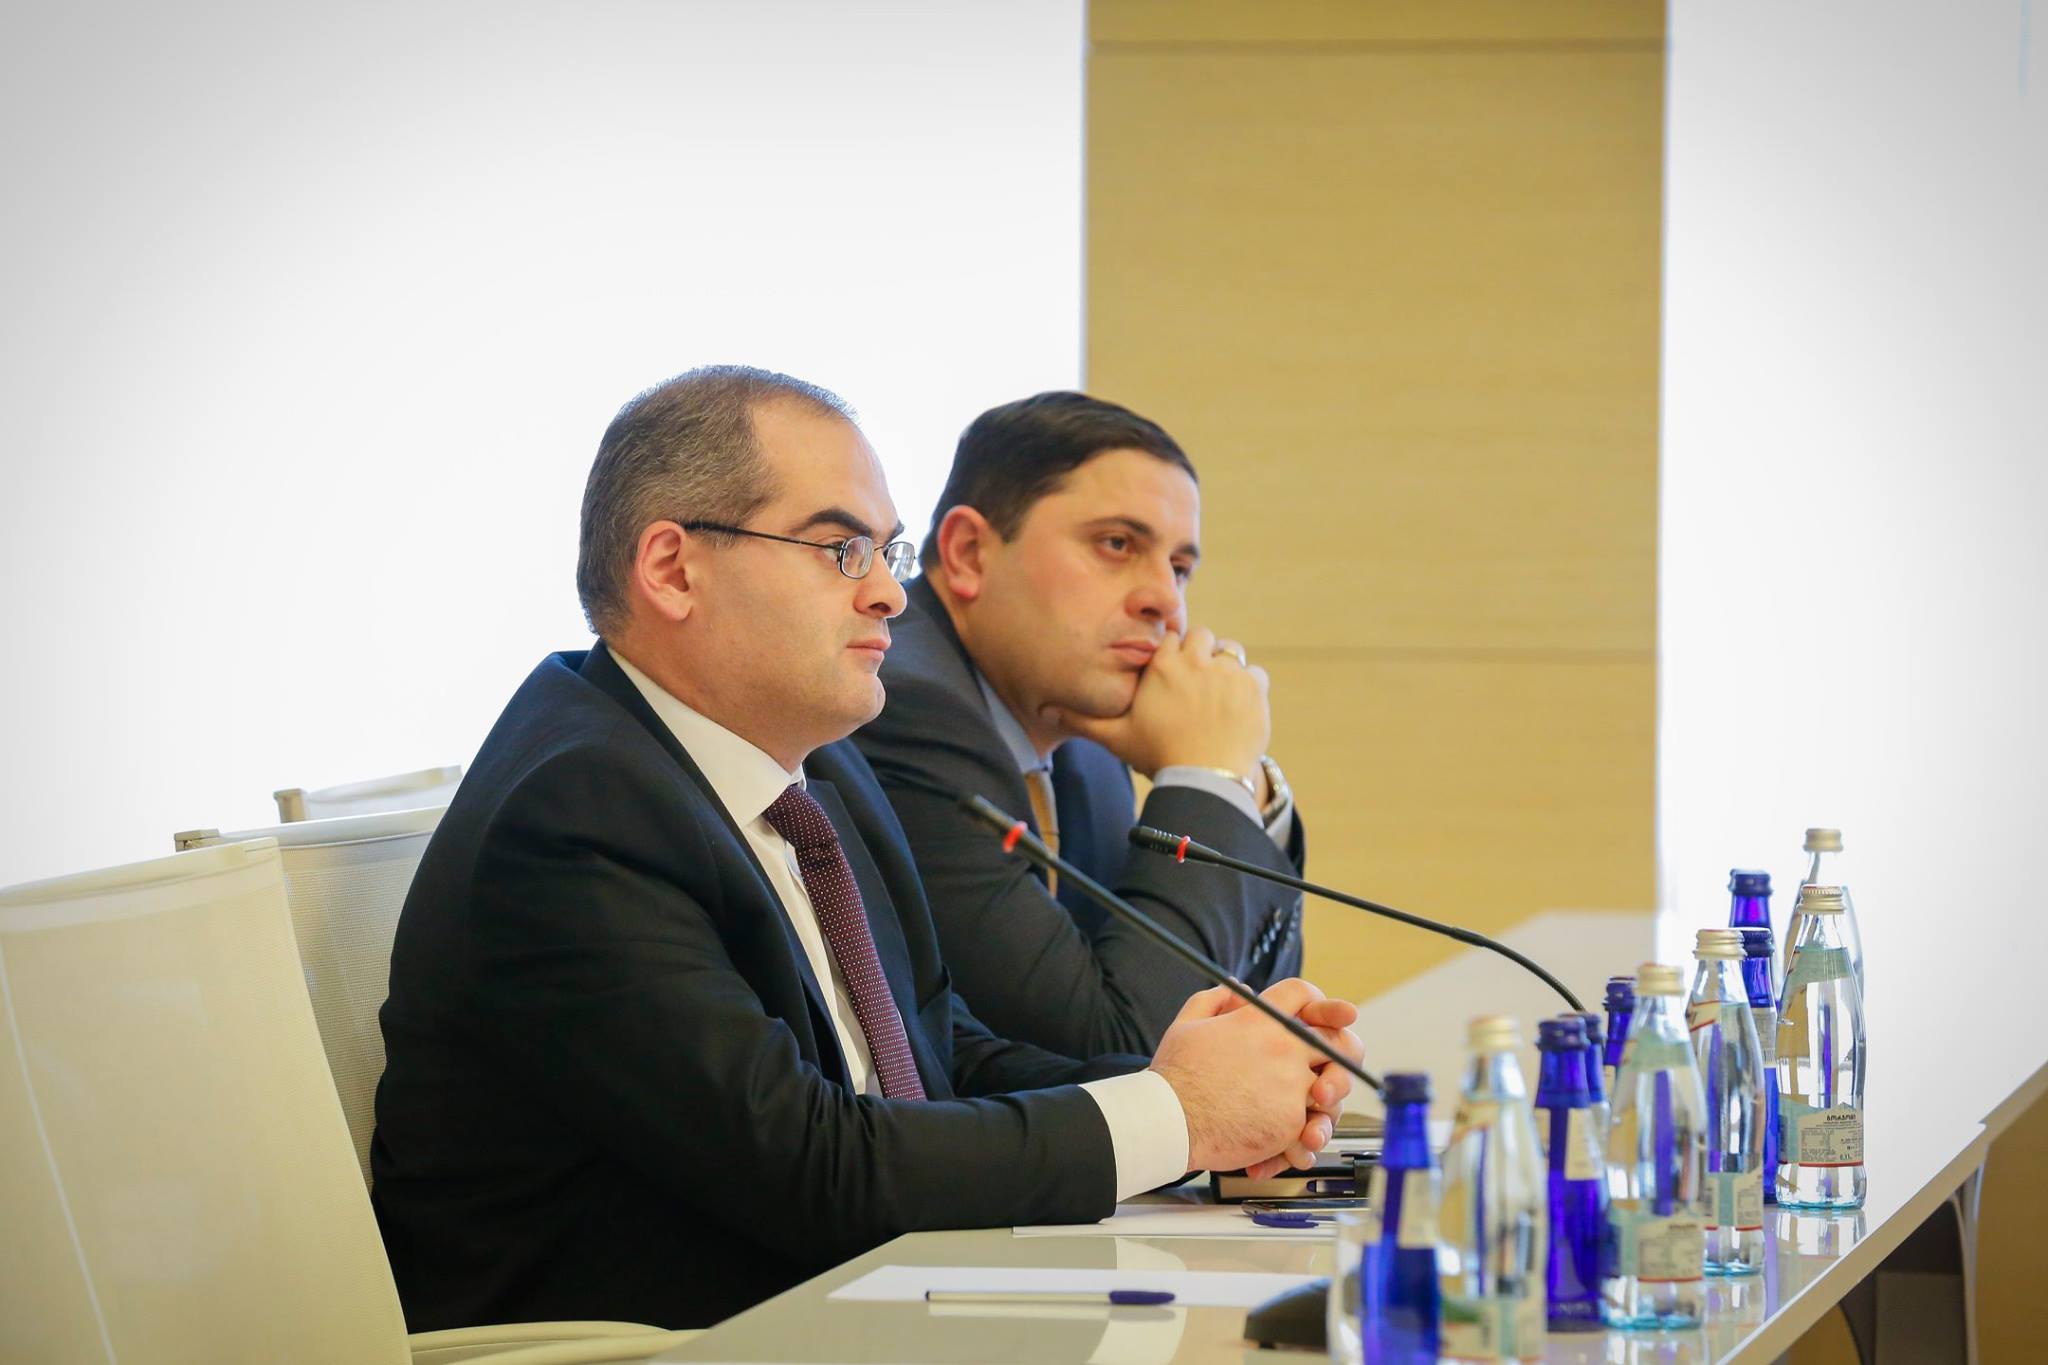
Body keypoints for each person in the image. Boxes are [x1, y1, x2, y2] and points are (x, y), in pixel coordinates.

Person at [370, 366, 1363, 1331]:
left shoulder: (819, 769)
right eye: (841, 549)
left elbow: (943, 1054)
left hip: (841, 1302)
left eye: (888, 553)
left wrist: (1209, 1096)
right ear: (671, 569)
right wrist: (1176, 1114)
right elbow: (813, 1167)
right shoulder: (576, 811)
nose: (890, 595)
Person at [855, 392, 1306, 1059]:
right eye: (1116, 544)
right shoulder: (903, 708)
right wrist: (1208, 780)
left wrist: (1246, 792)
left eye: (1180, 568)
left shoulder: (1089, 753)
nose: (1166, 602)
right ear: (970, 552)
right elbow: (1115, 1053)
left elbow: (1255, 1022)